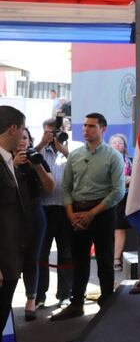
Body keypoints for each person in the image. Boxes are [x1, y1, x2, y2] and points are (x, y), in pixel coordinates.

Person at [51, 113, 125, 321]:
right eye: (84, 125)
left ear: (103, 129)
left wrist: (92, 213)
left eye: (91, 126)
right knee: (79, 259)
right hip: (75, 213)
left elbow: (118, 191)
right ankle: (76, 304)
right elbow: (65, 188)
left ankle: (107, 302)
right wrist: (71, 215)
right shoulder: (74, 155)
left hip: (102, 213)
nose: (86, 129)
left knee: (105, 259)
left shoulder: (113, 156)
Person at [0, 105, 31, 342]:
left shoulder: (9, 161)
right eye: (22, 129)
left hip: (11, 257)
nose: (24, 135)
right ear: (12, 129)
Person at [14, 128, 54, 321]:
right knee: (10, 258)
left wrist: (37, 166)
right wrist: (12, 165)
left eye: (25, 138)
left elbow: (50, 187)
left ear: (30, 141)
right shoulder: (4, 159)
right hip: (10, 216)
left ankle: (31, 299)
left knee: (32, 257)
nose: (22, 141)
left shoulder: (36, 158)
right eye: (19, 137)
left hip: (34, 214)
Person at [35, 118, 74, 309]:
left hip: (65, 209)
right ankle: (39, 294)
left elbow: (80, 167)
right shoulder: (39, 150)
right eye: (50, 132)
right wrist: (43, 142)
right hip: (44, 209)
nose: (54, 136)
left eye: (57, 131)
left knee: (66, 253)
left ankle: (65, 294)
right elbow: (29, 158)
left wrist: (63, 147)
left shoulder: (72, 151)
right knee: (41, 252)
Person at [109, 134, 132, 272]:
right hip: (108, 198)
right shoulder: (105, 160)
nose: (118, 145)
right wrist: (124, 179)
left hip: (124, 198)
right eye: (114, 142)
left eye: (120, 143)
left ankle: (116, 259)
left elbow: (134, 178)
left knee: (120, 228)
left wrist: (131, 178)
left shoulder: (130, 161)